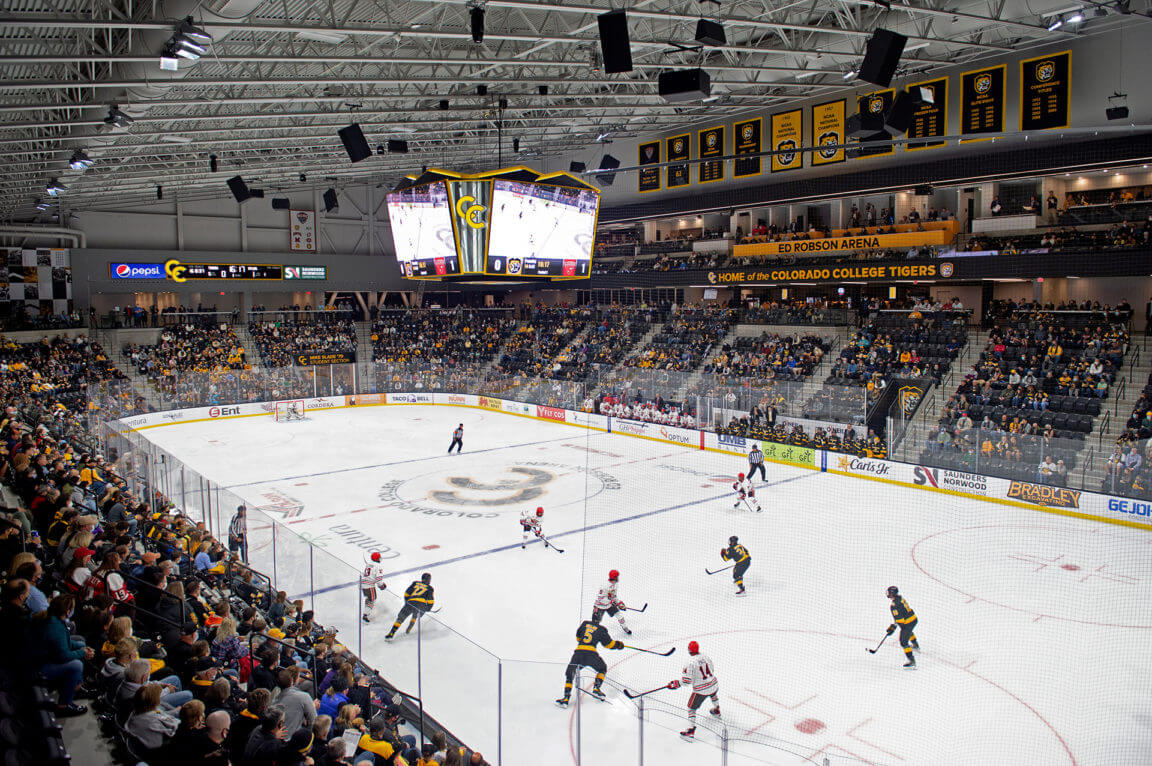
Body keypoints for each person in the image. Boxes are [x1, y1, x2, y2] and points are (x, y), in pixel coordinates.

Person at [31, 593, 94, 716]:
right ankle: (64, 705)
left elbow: (66, 642)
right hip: (39, 666)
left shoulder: (54, 619)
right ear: (67, 611)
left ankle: (76, 686)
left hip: (47, 657)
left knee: (80, 643)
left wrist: (82, 649)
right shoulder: (54, 627)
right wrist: (82, 653)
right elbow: (63, 656)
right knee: (76, 665)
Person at [555, 615, 624, 707]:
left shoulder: (585, 623)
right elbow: (609, 644)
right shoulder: (601, 629)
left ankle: (566, 698)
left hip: (578, 653)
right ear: (600, 620)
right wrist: (618, 645)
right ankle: (596, 689)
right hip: (591, 654)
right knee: (602, 668)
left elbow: (578, 637)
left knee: (570, 673)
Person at [666, 640, 721, 741]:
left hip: (701, 691)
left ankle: (691, 731)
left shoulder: (689, 663)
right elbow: (712, 669)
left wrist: (676, 684)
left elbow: (686, 681)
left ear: (689, 650)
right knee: (713, 694)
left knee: (691, 708)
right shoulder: (706, 656)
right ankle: (717, 709)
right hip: (714, 684)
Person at [384, 573, 435, 640]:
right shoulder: (430, 588)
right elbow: (430, 600)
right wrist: (428, 608)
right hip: (421, 604)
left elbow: (407, 593)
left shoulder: (415, 583)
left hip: (410, 602)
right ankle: (409, 628)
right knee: (416, 615)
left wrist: (407, 602)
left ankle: (391, 633)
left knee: (400, 618)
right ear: (428, 580)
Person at [885, 585, 920, 669]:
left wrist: (892, 628)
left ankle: (912, 661)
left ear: (892, 594)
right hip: (913, 619)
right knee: (908, 631)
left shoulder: (894, 606)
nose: (888, 594)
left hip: (908, 623)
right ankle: (915, 644)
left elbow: (900, 620)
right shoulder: (900, 598)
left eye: (889, 593)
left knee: (903, 642)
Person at [590, 569, 631, 636]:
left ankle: (625, 627)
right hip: (599, 606)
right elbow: (600, 599)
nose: (618, 578)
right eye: (617, 576)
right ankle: (592, 634)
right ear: (614, 577)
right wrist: (612, 601)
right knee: (595, 621)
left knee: (620, 616)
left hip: (609, 605)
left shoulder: (615, 585)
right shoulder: (604, 586)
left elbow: (614, 596)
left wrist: (619, 603)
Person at [360, 551, 387, 623]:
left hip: (363, 584)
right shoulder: (378, 566)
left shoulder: (368, 564)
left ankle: (366, 613)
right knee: (372, 600)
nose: (380, 559)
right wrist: (382, 586)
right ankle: (365, 616)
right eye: (379, 558)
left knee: (369, 599)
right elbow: (378, 580)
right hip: (370, 586)